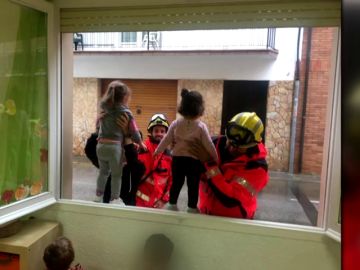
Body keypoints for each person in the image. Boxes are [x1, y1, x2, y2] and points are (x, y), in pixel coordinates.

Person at [189, 112, 269, 219]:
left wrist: (209, 164)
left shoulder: (257, 168)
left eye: (239, 147)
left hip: (236, 223)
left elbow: (229, 199)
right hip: (206, 215)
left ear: (252, 145)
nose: (232, 149)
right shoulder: (213, 144)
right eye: (230, 143)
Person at [154, 89, 218, 213]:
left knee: (176, 183)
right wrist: (215, 157)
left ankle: (172, 204)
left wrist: (158, 150)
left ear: (182, 107)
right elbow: (208, 144)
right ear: (200, 108)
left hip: (177, 160)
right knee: (193, 185)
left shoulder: (176, 123)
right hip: (194, 162)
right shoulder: (201, 126)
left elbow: (166, 139)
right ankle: (192, 207)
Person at [95, 80, 145, 204]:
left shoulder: (104, 111)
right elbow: (134, 131)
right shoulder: (126, 113)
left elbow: (98, 127)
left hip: (100, 146)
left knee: (103, 172)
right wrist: (140, 143)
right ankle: (115, 197)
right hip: (114, 147)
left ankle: (98, 195)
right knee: (117, 174)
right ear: (125, 97)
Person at [119, 113, 173, 208]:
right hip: (138, 204)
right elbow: (130, 162)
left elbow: (172, 181)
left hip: (157, 206)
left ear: (166, 134)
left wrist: (164, 200)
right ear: (151, 132)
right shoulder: (141, 149)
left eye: (162, 131)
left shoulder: (169, 156)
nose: (159, 134)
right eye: (156, 131)